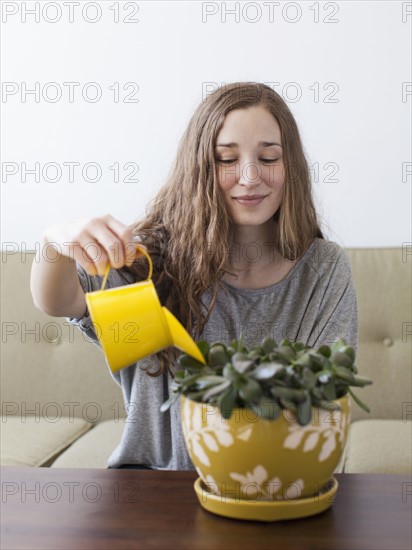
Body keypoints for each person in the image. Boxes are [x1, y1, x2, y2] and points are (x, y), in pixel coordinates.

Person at [30, 81, 358, 471]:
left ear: (292, 169)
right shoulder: (150, 261)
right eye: (226, 159)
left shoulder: (323, 269)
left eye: (269, 158)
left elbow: (326, 402)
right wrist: (54, 244)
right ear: (200, 167)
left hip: (281, 486)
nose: (251, 176)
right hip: (155, 491)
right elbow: (58, 302)